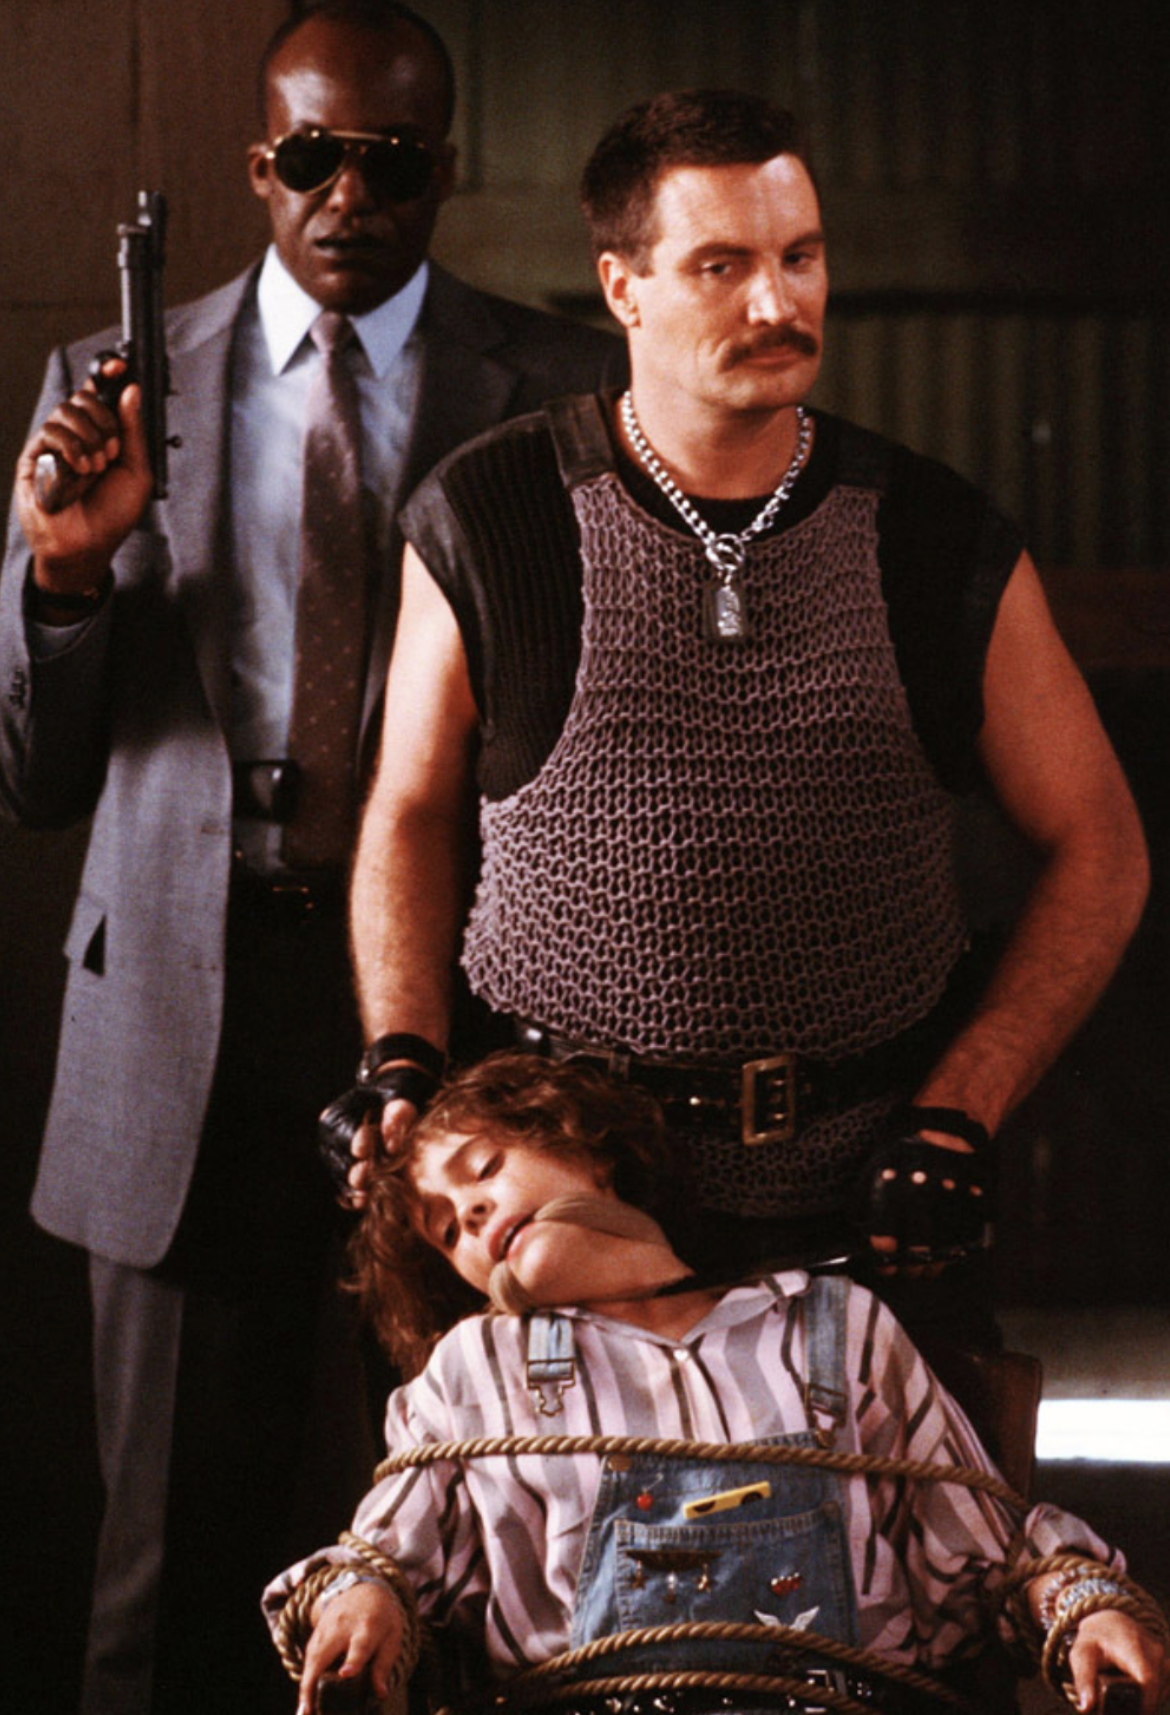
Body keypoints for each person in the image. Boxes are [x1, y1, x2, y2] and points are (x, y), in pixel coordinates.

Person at [0, 5, 622, 1712]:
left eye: (394, 163)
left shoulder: (563, 388)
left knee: (492, 1540)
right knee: (162, 1572)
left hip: (455, 1009)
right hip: (178, 1028)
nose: (352, 194)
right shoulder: (108, 384)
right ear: (258, 167)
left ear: (445, 169)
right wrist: (64, 576)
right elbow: (36, 777)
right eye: (313, 157)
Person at [344, 88, 1148, 1348]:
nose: (778, 303)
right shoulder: (489, 517)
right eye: (722, 266)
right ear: (623, 287)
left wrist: (961, 1109)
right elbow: (408, 810)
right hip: (573, 1219)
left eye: (800, 257)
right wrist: (405, 1049)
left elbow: (1101, 841)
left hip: (872, 1206)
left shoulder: (934, 534)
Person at [263, 1052, 1170, 1715]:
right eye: (447, 1228)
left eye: (485, 1169)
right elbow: (383, 1557)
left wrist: (1081, 1606)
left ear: (591, 1150)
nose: (469, 1211)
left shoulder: (834, 1324)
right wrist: (362, 1598)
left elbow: (993, 1559)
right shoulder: (474, 1371)